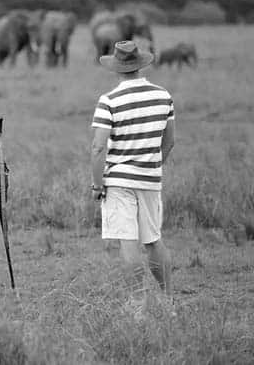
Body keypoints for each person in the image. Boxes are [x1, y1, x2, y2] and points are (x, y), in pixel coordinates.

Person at [91, 40, 175, 318]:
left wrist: (97, 183)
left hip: (118, 179)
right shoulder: (164, 96)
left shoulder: (109, 100)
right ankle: (168, 302)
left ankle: (137, 304)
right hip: (150, 178)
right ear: (140, 65)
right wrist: (152, 165)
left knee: (128, 242)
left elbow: (98, 147)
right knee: (153, 239)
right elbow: (170, 142)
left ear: (117, 67)